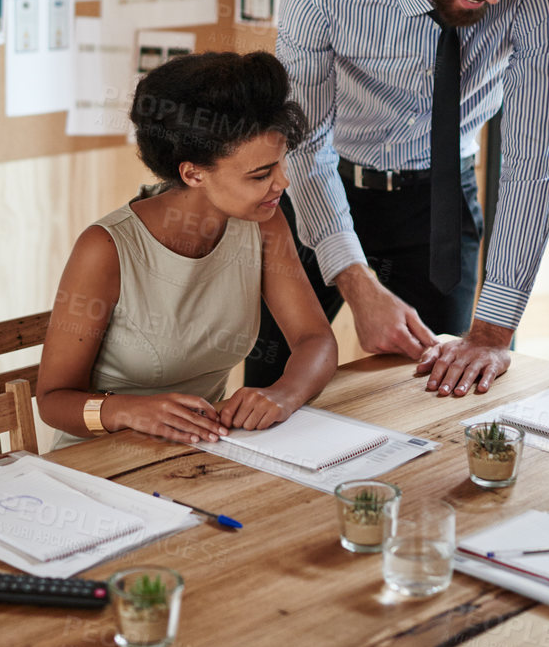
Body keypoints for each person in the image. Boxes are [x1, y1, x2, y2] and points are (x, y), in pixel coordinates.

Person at [249, 0, 549, 401]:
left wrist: (494, 332)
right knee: (271, 381)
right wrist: (355, 279)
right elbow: (303, 140)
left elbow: (533, 160)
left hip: (440, 200)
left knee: (445, 388)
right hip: (320, 188)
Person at [37, 51, 340, 447]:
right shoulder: (107, 248)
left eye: (281, 164)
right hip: (100, 463)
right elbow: (52, 401)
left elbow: (315, 340)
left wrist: (283, 393)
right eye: (261, 174)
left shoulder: (263, 224)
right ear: (193, 173)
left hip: (200, 454)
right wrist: (127, 410)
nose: (281, 182)